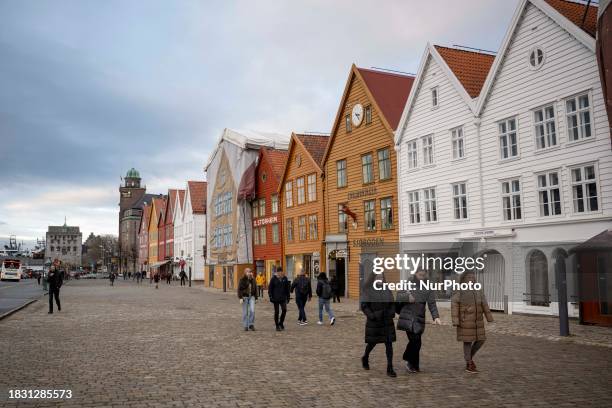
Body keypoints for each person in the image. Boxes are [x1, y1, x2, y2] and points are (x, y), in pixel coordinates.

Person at [396, 269, 442, 373]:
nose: (421, 277)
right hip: (408, 316)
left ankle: (413, 363)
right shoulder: (407, 284)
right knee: (415, 341)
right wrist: (408, 297)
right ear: (416, 274)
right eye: (420, 274)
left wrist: (436, 317)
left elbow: (432, 303)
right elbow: (398, 296)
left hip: (419, 318)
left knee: (417, 342)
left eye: (423, 275)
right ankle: (410, 363)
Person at [451, 271, 494, 374]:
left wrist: (489, 317)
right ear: (464, 278)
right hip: (465, 320)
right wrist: (455, 320)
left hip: (477, 320)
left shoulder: (478, 289)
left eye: (473, 277)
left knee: (481, 340)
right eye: (469, 277)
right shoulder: (459, 290)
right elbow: (454, 305)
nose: (472, 278)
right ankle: (469, 363)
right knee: (467, 341)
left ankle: (468, 358)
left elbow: (484, 303)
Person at [360, 271, 397, 377]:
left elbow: (392, 303)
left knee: (389, 344)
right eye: (378, 277)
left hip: (387, 321)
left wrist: (391, 313)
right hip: (375, 321)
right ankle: (365, 357)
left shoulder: (386, 288)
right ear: (373, 277)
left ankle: (390, 368)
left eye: (381, 277)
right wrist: (372, 316)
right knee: (372, 343)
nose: (380, 279)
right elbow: (364, 306)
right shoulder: (368, 290)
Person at [268, 267, 290, 331]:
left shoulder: (285, 278)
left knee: (284, 310)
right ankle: (277, 325)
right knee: (277, 312)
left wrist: (288, 297)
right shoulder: (273, 279)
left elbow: (287, 289)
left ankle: (281, 323)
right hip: (275, 298)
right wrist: (270, 296)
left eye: (281, 272)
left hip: (283, 298)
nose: (280, 273)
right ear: (277, 272)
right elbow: (270, 288)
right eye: (279, 272)